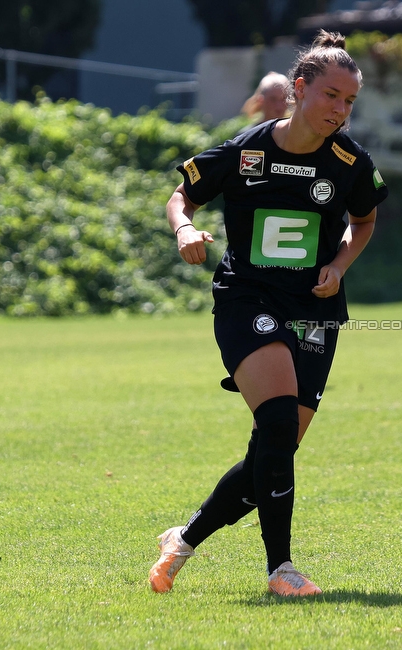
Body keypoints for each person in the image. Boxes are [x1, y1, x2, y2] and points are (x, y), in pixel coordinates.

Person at [149, 29, 388, 597]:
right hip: (247, 300)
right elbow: (180, 196)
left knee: (273, 453)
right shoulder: (246, 151)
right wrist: (184, 227)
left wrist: (340, 264)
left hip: (316, 312)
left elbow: (365, 222)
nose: (340, 110)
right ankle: (281, 570)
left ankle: (182, 541)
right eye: (332, 96)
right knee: (278, 426)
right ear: (299, 90)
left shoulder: (350, 162)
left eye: (350, 101)